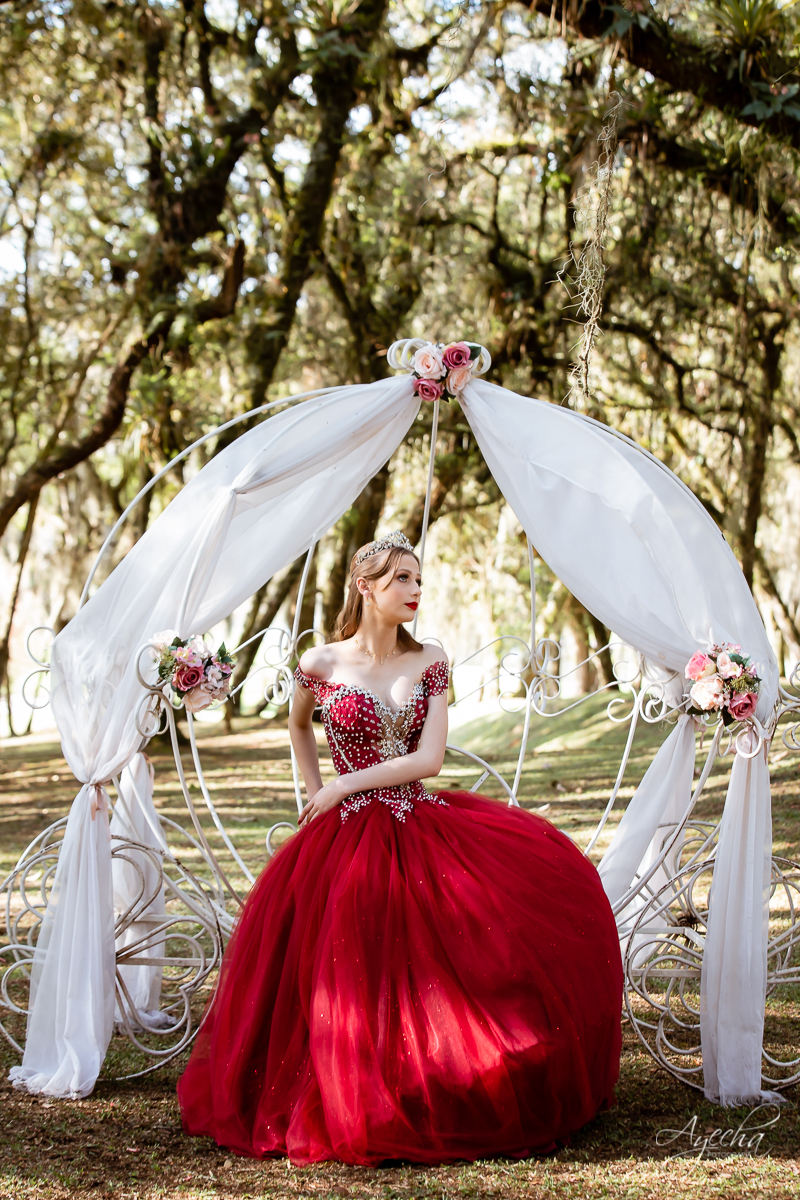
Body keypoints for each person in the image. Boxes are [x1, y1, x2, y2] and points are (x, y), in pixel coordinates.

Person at [177, 531, 623, 1165]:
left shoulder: (431, 659)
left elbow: (430, 758)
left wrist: (344, 785)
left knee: (473, 948)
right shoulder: (321, 663)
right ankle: (357, 1089)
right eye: (402, 581)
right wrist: (315, 794)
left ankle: (437, 1083)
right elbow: (298, 725)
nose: (416, 591)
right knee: (345, 969)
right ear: (366, 587)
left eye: (418, 580)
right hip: (344, 837)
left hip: (417, 820)